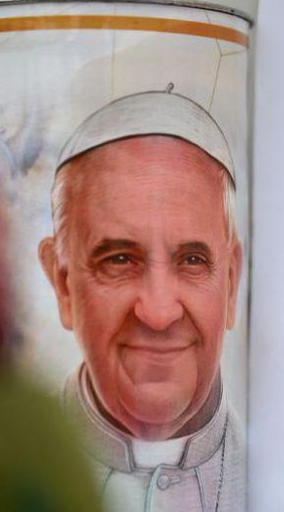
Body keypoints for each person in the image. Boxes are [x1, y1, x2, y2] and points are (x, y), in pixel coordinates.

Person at [38, 88, 244, 512]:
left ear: (230, 281)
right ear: (63, 285)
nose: (158, 312)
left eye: (192, 260)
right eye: (119, 260)